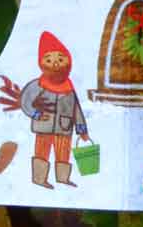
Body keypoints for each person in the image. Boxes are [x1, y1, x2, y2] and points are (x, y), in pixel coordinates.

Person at [17, 31, 89, 189]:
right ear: (41, 63)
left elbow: (76, 109)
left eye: (60, 59)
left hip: (64, 127)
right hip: (44, 125)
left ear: (68, 62)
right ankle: (39, 178)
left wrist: (82, 128)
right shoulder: (38, 85)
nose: (55, 64)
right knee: (42, 151)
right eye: (49, 59)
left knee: (63, 153)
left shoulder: (69, 88)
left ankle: (63, 178)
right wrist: (35, 114)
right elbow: (25, 101)